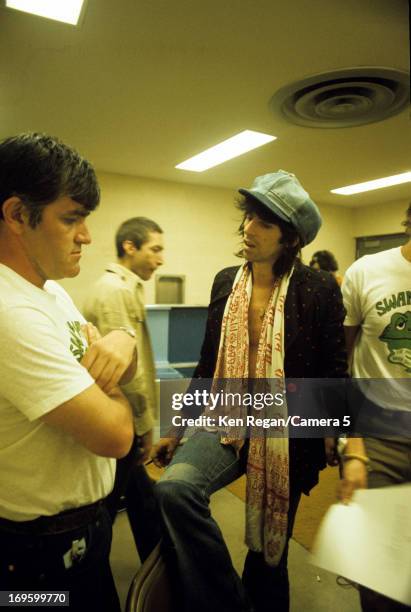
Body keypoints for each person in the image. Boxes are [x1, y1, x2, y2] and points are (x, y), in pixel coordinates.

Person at [152, 170, 348, 612]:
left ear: (290, 238)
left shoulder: (317, 290)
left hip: (286, 432)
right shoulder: (226, 281)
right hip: (227, 416)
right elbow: (207, 365)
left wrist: (336, 435)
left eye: (264, 222)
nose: (248, 229)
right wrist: (177, 428)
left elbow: (333, 372)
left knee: (268, 558)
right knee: (174, 491)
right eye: (248, 218)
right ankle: (230, 602)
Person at [0, 133, 137, 611]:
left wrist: (125, 338)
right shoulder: (8, 310)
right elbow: (116, 435)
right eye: (71, 219)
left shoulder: (48, 291)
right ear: (18, 215)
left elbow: (106, 356)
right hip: (35, 554)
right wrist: (116, 394)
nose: (87, 236)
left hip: (85, 529)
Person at [340, 203, 411, 611]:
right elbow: (340, 366)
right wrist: (352, 445)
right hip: (378, 440)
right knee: (378, 575)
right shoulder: (366, 271)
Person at [83, 217, 164, 561]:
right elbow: (131, 374)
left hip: (118, 416)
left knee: (142, 497)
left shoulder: (121, 287)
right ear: (130, 247)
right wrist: (144, 427)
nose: (160, 259)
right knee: (104, 510)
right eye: (155, 249)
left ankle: (162, 567)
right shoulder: (115, 291)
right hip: (120, 418)